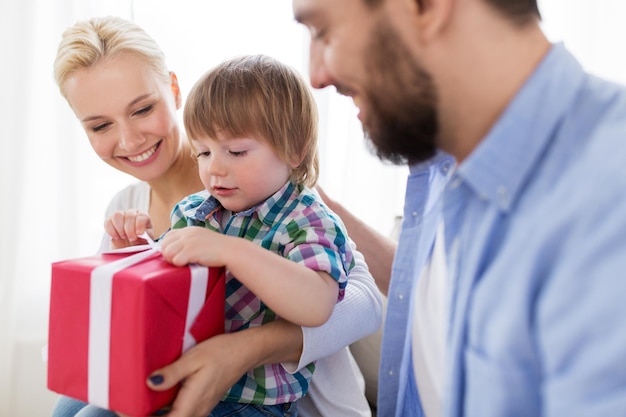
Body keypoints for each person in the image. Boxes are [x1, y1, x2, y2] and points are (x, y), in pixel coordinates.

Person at [292, 0, 626, 416]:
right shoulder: (445, 164)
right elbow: (424, 285)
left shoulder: (606, 196)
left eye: (324, 31)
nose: (316, 75)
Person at [50, 15, 382, 417]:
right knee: (70, 407)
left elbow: (361, 302)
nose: (129, 139)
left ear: (173, 90)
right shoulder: (134, 204)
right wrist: (127, 258)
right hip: (183, 380)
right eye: (101, 125)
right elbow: (132, 327)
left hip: (276, 402)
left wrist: (242, 349)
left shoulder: (269, 182)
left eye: (141, 109)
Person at [104, 53, 355, 416]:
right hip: (180, 380)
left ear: (296, 149)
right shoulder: (195, 211)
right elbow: (161, 296)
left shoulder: (308, 221)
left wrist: (230, 251)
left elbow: (316, 305)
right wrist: (131, 253)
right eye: (203, 152)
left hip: (252, 403)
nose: (215, 168)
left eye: (236, 151)